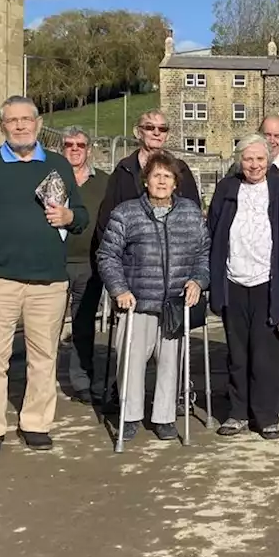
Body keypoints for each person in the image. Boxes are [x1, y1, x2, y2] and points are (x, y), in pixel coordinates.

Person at [0, 97, 89, 456]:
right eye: (13, 121)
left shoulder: (57, 165)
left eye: (27, 120)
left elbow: (83, 216)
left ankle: (36, 423)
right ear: (2, 127)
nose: (21, 126)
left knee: (44, 357)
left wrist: (70, 217)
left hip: (48, 282)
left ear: (38, 124)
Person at [95, 151, 209, 444]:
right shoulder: (126, 213)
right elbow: (107, 255)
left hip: (174, 303)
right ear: (146, 181)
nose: (161, 181)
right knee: (130, 361)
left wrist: (198, 280)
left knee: (171, 363)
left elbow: (203, 254)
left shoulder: (190, 213)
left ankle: (164, 417)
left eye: (167, 177)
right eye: (156, 176)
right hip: (137, 302)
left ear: (175, 184)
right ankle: (130, 415)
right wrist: (119, 289)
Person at [207, 135, 279, 440]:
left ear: (269, 160)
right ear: (240, 160)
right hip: (234, 280)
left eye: (260, 159)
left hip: (268, 283)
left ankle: (266, 416)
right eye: (248, 159)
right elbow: (212, 230)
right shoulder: (226, 189)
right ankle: (237, 412)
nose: (254, 165)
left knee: (266, 355)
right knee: (237, 353)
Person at [93, 110, 200, 256]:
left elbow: (194, 216)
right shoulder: (124, 170)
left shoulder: (180, 169)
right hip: (132, 260)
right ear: (138, 132)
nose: (157, 133)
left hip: (173, 258)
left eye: (162, 129)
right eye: (150, 128)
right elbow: (107, 221)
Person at [59, 126, 109, 404]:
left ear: (89, 149)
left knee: (83, 324)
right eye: (69, 144)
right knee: (46, 325)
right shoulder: (50, 180)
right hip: (54, 263)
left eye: (80, 144)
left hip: (89, 264)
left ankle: (81, 381)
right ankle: (39, 381)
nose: (75, 149)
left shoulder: (103, 182)